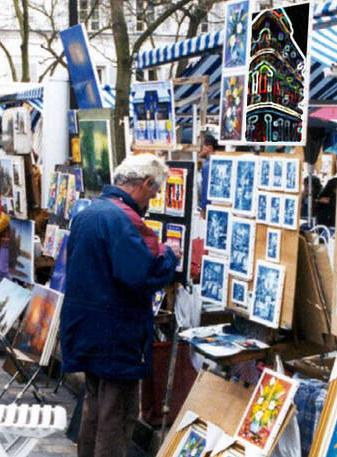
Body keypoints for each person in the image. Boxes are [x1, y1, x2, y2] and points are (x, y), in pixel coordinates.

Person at [60, 154, 181, 457]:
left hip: (86, 329)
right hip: (115, 334)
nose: (151, 202)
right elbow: (139, 276)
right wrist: (170, 256)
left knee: (94, 405)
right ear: (144, 184)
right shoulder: (122, 218)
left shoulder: (88, 212)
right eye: (153, 193)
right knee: (117, 414)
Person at [199, 134, 219, 214]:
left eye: (201, 147)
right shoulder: (218, 162)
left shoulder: (207, 165)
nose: (198, 150)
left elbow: (206, 188)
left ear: (209, 148)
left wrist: (203, 208)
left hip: (209, 207)